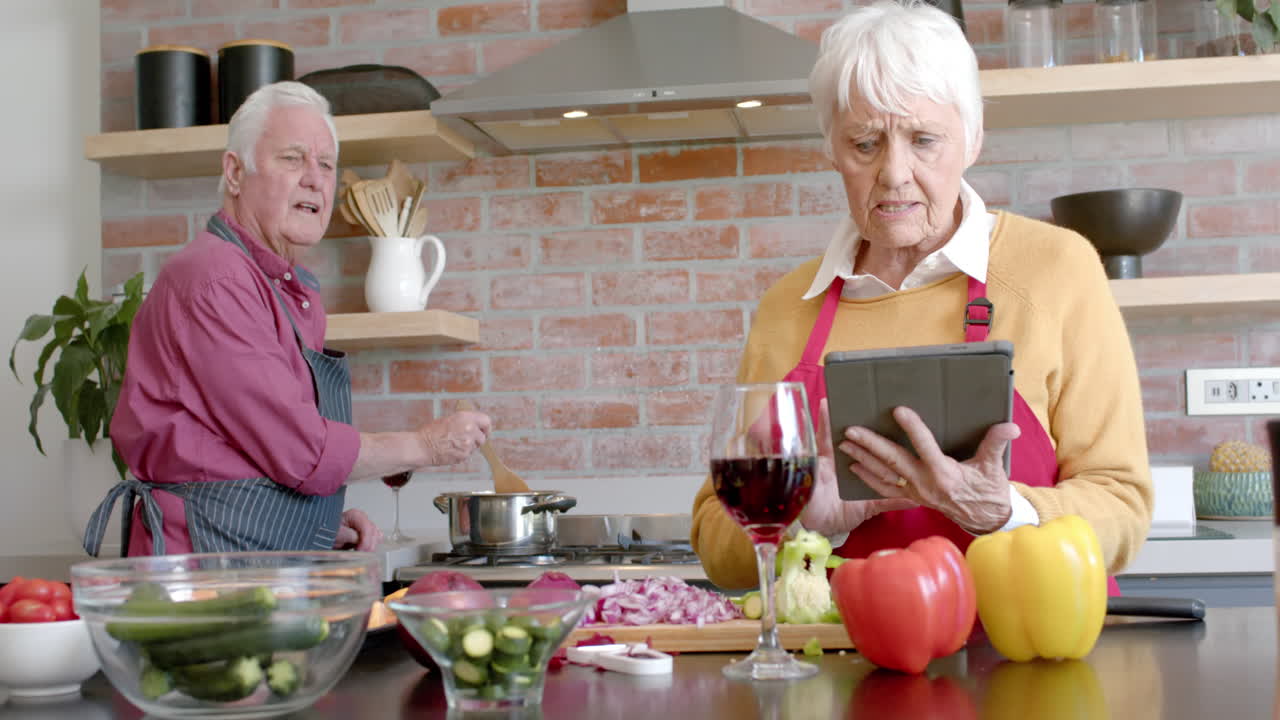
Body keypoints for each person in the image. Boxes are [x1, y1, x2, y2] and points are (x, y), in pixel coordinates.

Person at [691, 1, 1152, 590]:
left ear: (974, 137)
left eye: (925, 139)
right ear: (831, 149)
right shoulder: (788, 308)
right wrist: (801, 523)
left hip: (1035, 654)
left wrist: (1005, 511)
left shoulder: (1057, 270)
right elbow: (714, 536)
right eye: (865, 144)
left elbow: (1124, 506)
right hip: (844, 662)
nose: (895, 173)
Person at [84, 81, 491, 557]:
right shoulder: (217, 279)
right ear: (235, 173)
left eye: (326, 164)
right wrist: (426, 445)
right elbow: (300, 449)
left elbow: (246, 449)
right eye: (292, 158)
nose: (315, 179)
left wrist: (314, 522)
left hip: (243, 557)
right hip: (202, 573)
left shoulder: (288, 288)